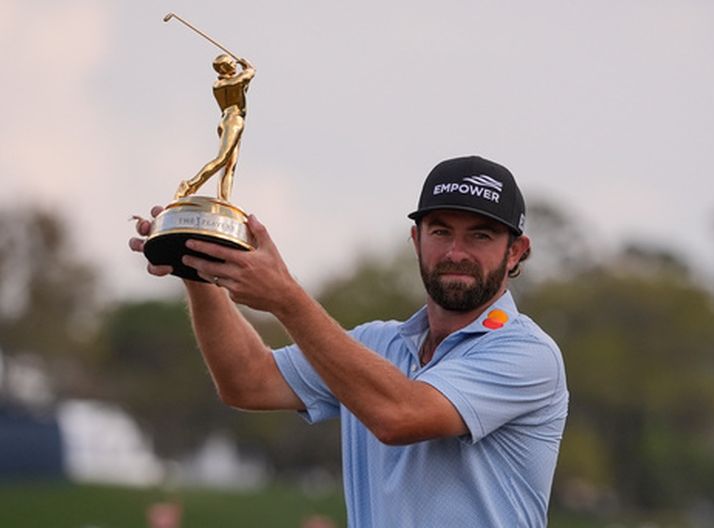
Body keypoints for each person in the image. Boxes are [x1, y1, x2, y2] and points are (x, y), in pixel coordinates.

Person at [130, 155, 569, 527]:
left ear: (515, 251)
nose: (456, 251)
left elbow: (400, 415)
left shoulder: (527, 354)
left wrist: (287, 298)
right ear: (416, 240)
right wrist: (199, 270)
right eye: (440, 231)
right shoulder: (376, 345)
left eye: (480, 235)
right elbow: (247, 381)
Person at [174, 54, 255, 201]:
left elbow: (243, 87)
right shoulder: (221, 85)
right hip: (232, 121)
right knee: (222, 159)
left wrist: (247, 71)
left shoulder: (231, 84)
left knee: (230, 165)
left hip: (232, 120)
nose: (234, 64)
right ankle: (189, 185)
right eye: (231, 63)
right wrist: (249, 68)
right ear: (224, 68)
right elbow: (245, 77)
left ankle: (224, 199)